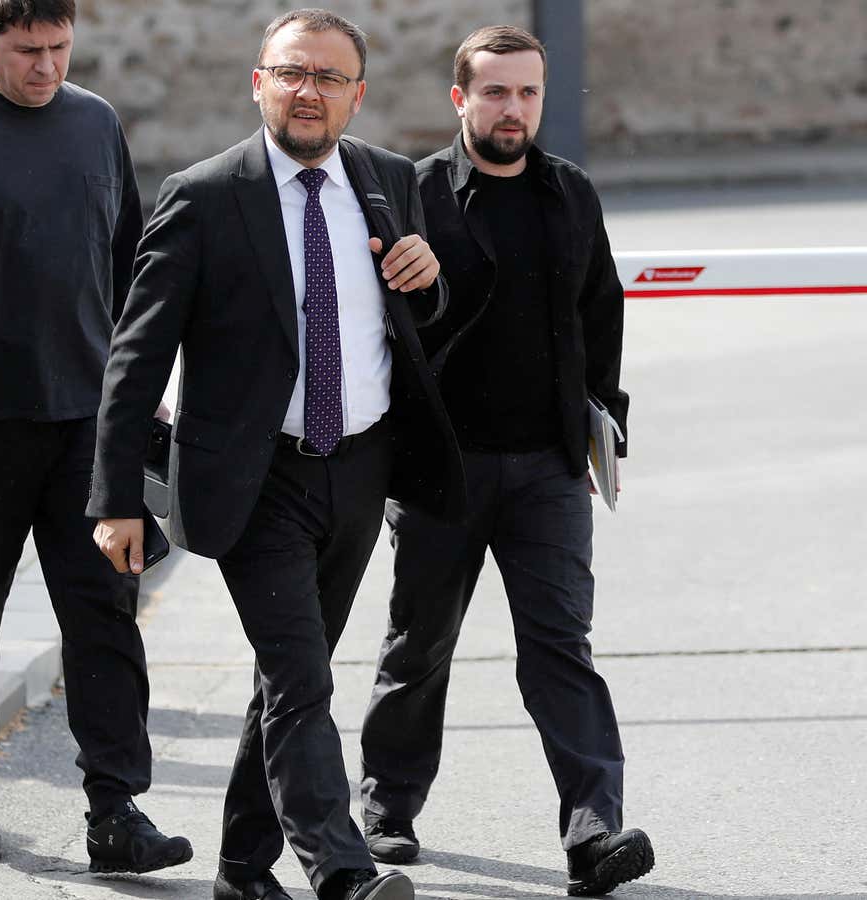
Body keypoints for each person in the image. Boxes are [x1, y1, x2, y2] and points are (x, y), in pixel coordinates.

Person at [90, 9, 467, 900]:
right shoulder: (204, 195)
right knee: (302, 677)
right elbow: (135, 355)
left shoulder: (387, 179)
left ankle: (239, 869)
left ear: (357, 95)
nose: (309, 92)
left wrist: (432, 280)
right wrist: (114, 498)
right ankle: (341, 870)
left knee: (287, 681)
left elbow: (420, 319)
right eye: (291, 73)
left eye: (329, 78)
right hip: (254, 476)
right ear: (258, 81)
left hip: (361, 467)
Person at [0, 0, 190, 873]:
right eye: (27, 51)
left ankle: (114, 809)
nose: (46, 66)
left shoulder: (94, 123)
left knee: (104, 618)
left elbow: (133, 264)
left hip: (88, 428)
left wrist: (141, 392)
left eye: (59, 48)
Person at [356, 25, 652, 897]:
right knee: (420, 645)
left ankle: (594, 832)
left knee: (562, 646)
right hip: (441, 469)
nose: (513, 109)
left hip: (547, 470)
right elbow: (379, 326)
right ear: (461, 99)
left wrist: (605, 428)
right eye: (495, 92)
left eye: (527, 93)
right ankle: (388, 806)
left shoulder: (570, 195)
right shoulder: (412, 192)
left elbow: (602, 314)